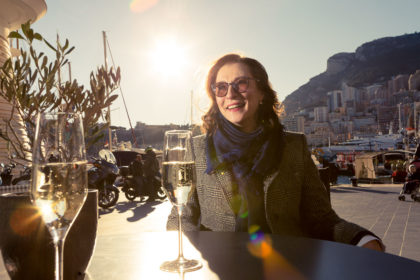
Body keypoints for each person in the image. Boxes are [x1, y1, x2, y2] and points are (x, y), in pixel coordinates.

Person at [166, 53, 384, 251]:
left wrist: (362, 239)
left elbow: (322, 218)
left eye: (241, 83)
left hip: (288, 265)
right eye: (221, 87)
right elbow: (183, 215)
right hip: (220, 267)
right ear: (215, 96)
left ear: (261, 92)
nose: (230, 94)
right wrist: (184, 255)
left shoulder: (294, 146)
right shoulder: (197, 149)